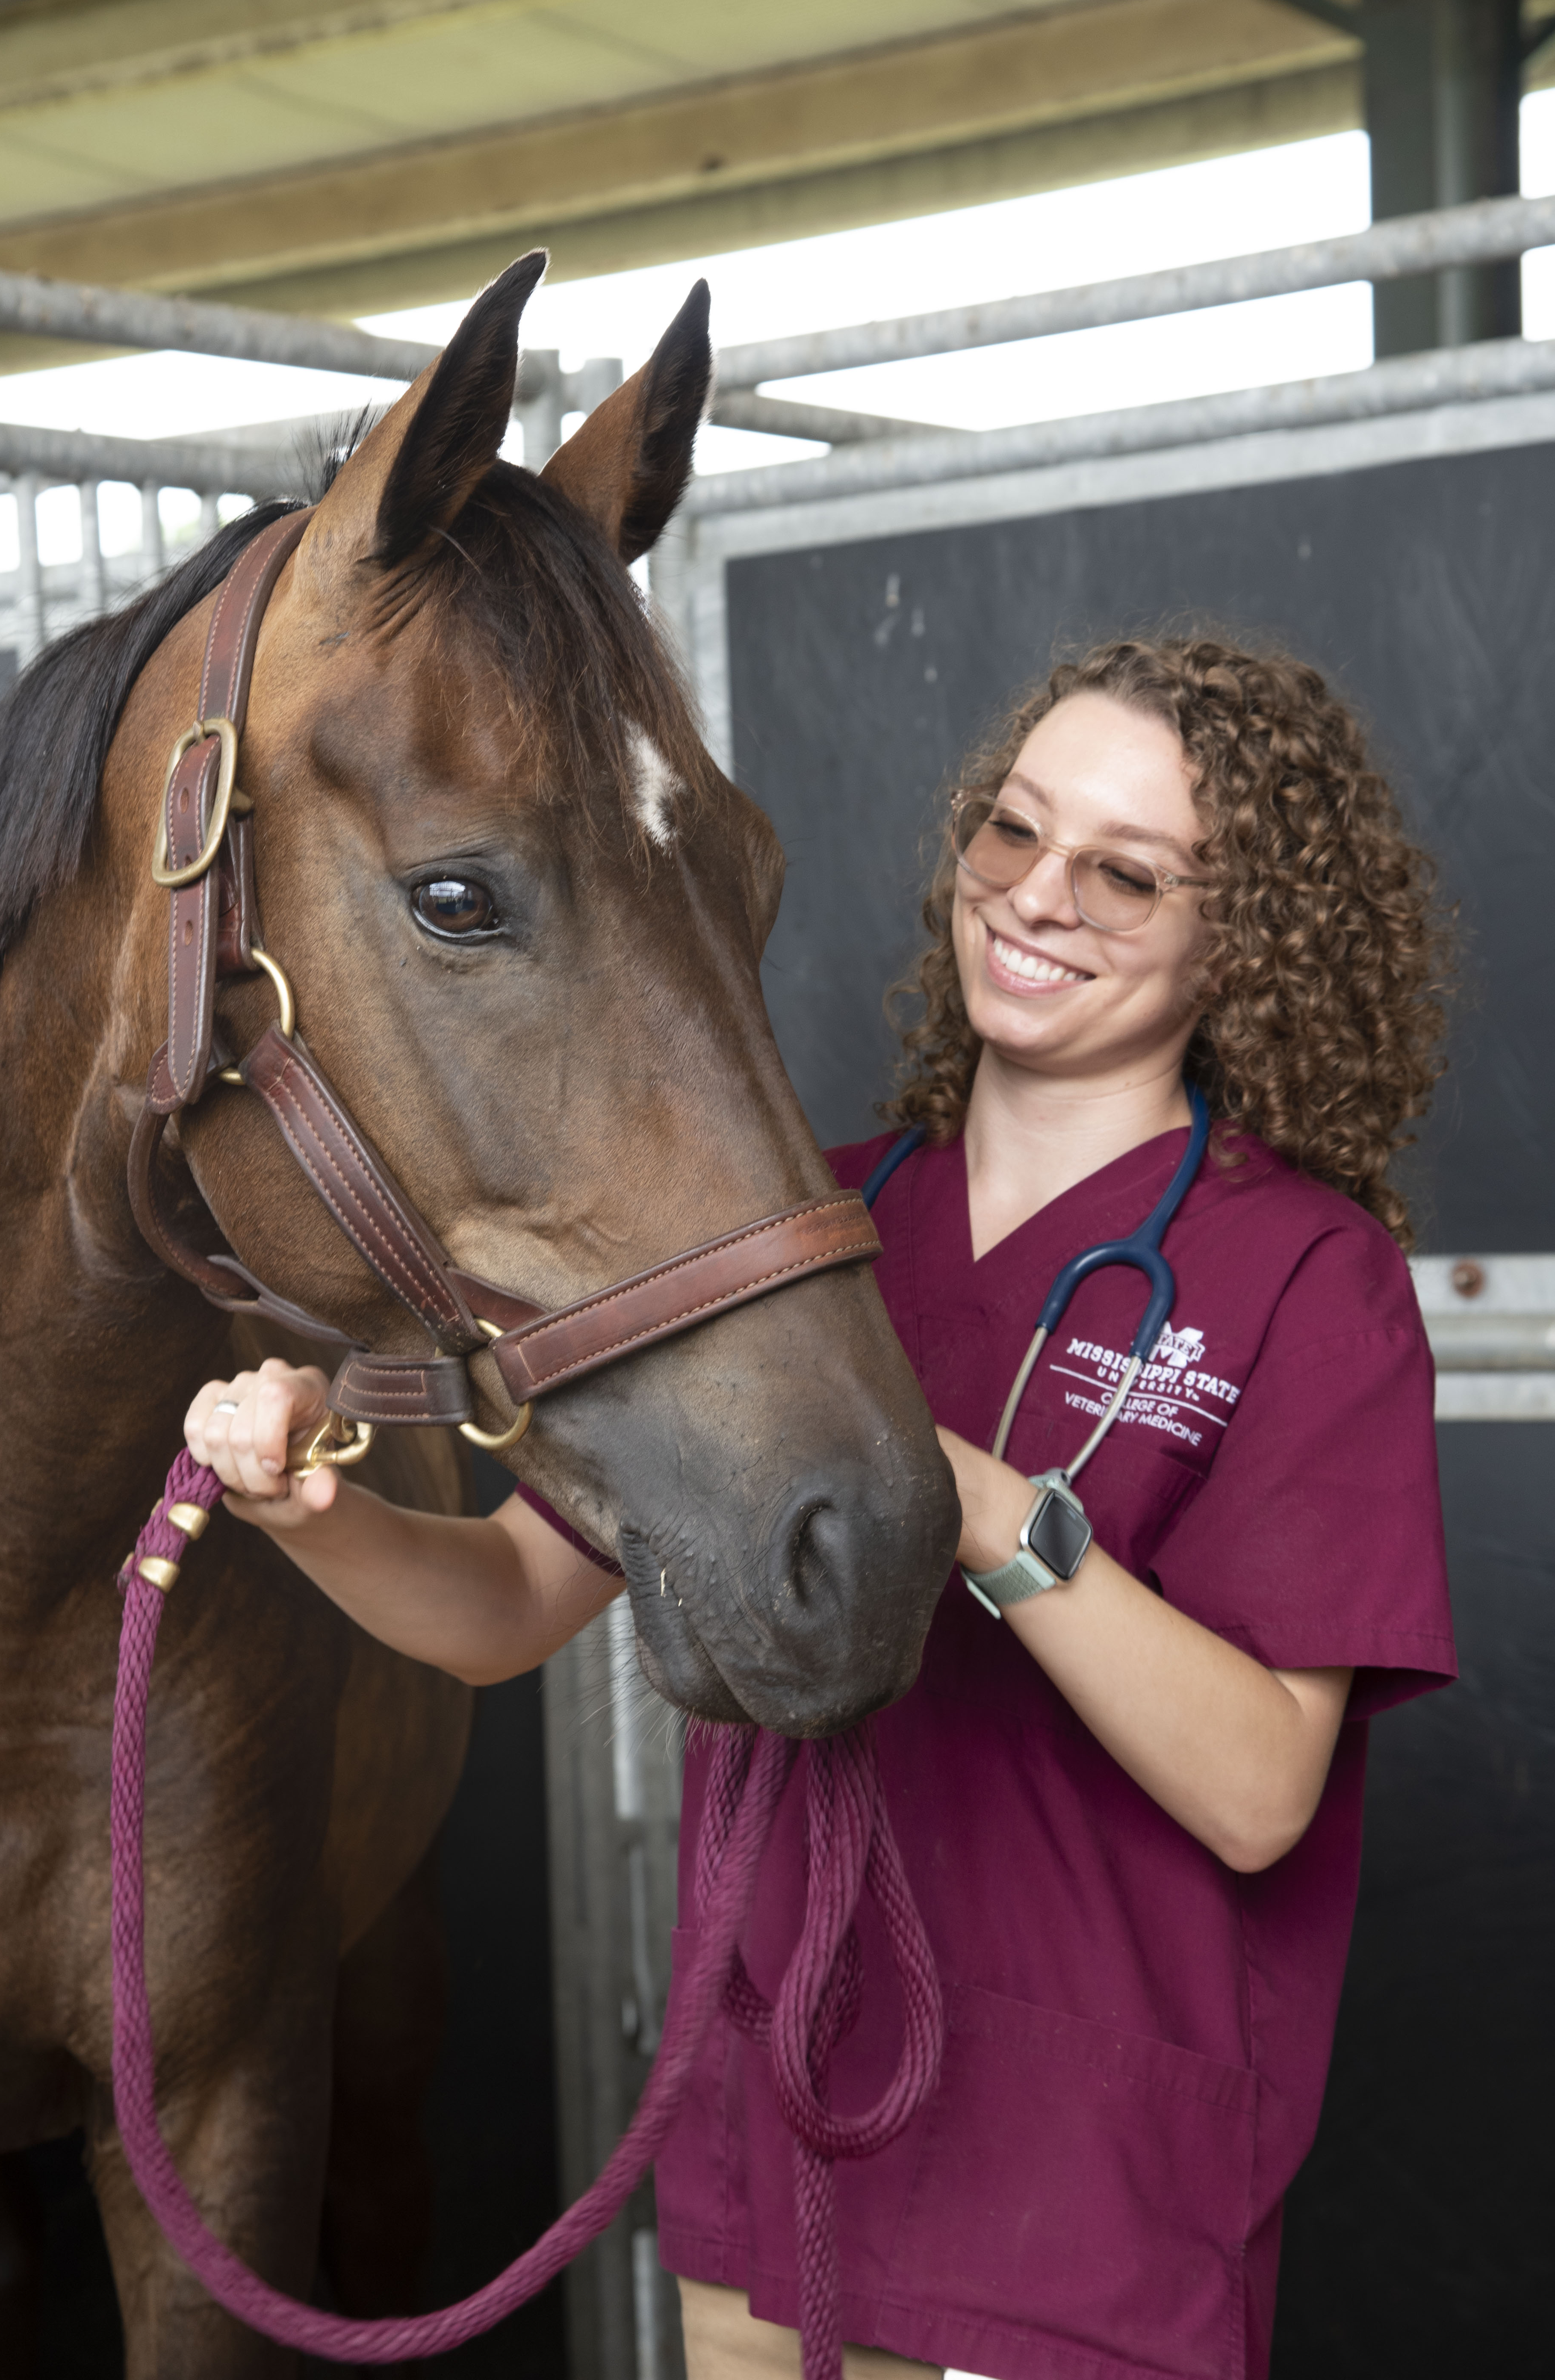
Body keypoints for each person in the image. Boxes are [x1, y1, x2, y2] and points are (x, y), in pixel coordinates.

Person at [188, 635, 1456, 2380]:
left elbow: (1255, 1793)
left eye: (1124, 872)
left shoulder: (1306, 1278)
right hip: (779, 2128)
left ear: (1242, 936)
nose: (1037, 897)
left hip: (1085, 2187)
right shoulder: (801, 1226)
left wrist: (977, 1503)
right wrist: (308, 1507)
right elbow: (498, 1609)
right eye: (1009, 833)